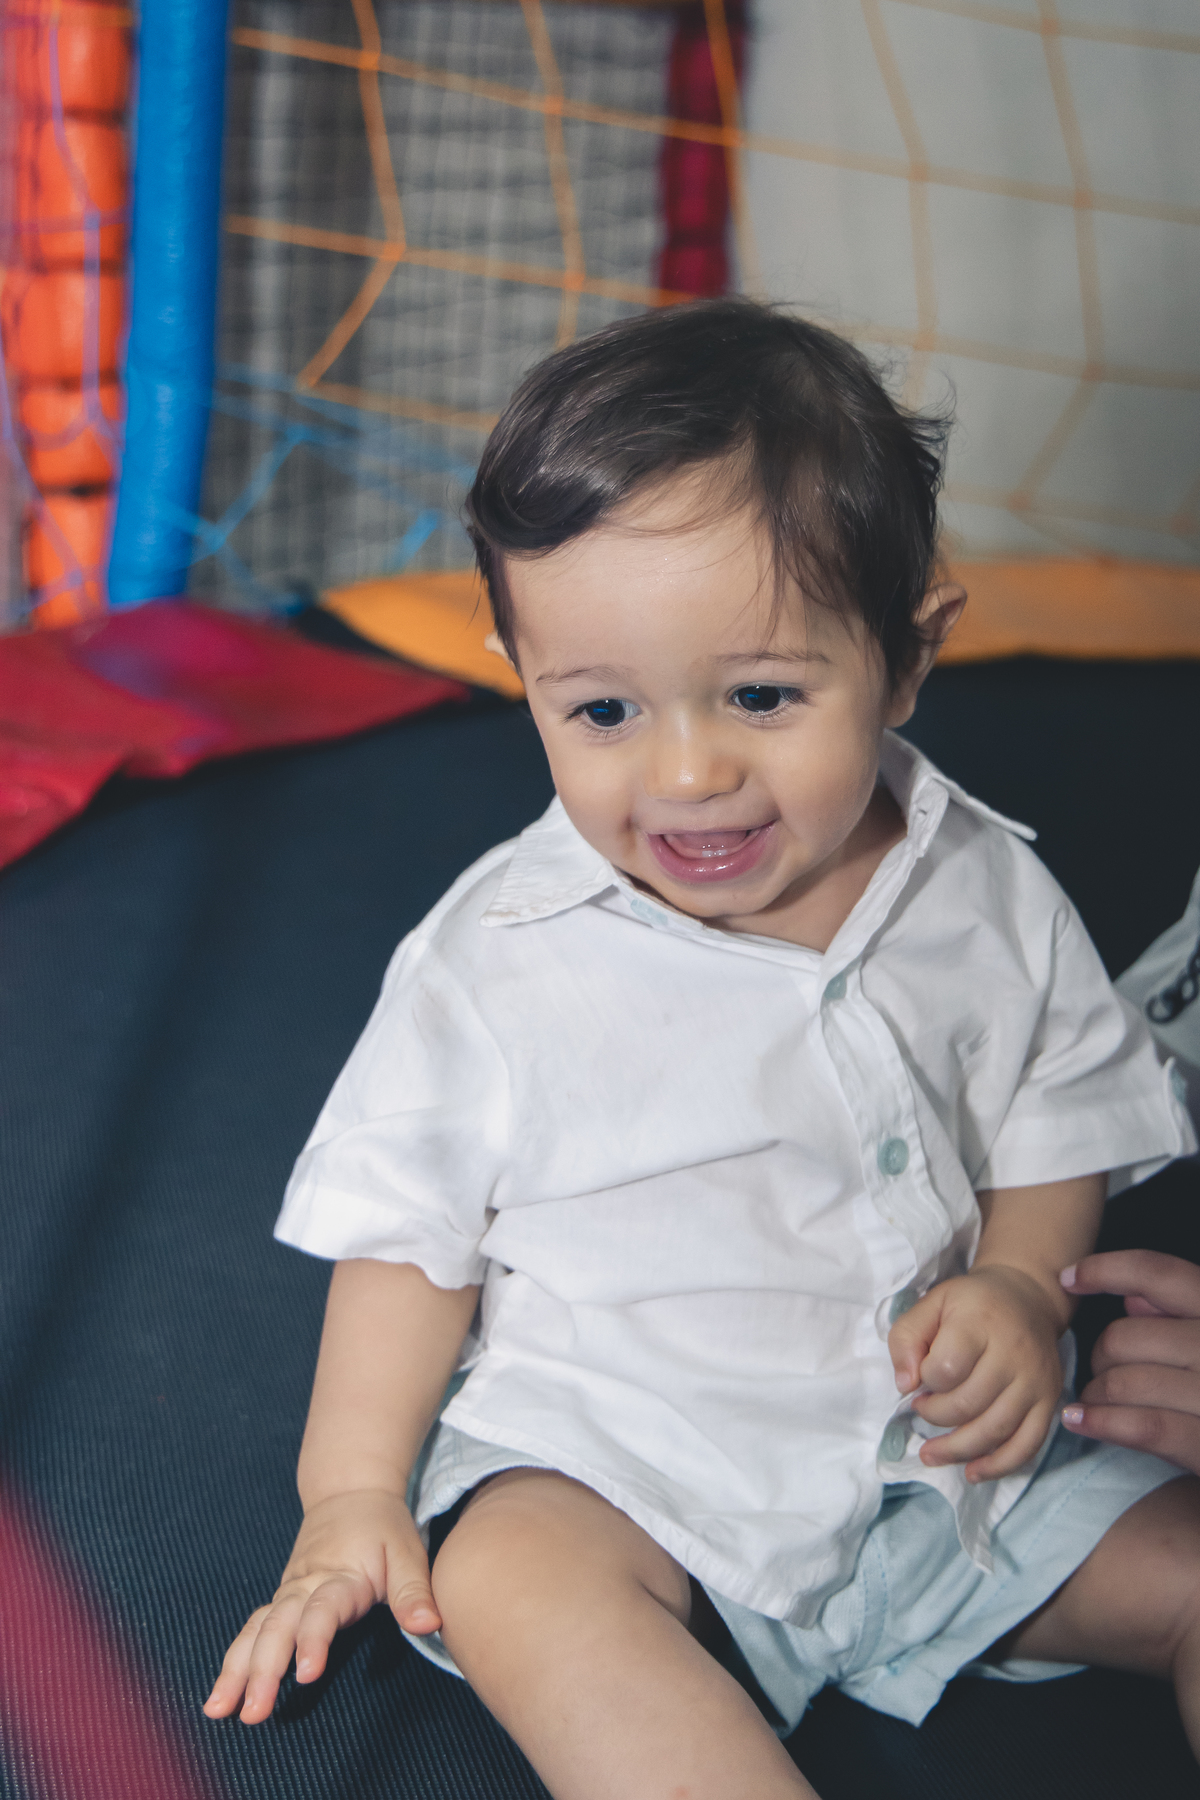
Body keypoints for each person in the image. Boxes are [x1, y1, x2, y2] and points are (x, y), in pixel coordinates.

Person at [204, 300, 1199, 1799]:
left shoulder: (986, 887)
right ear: (523, 672)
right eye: (604, 709)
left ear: (908, 658)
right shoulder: (500, 956)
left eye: (762, 696)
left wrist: (1014, 1281)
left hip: (947, 1467)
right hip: (634, 1464)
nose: (688, 772)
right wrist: (348, 1493)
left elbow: (1056, 1114)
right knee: (511, 1573)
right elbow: (407, 1242)